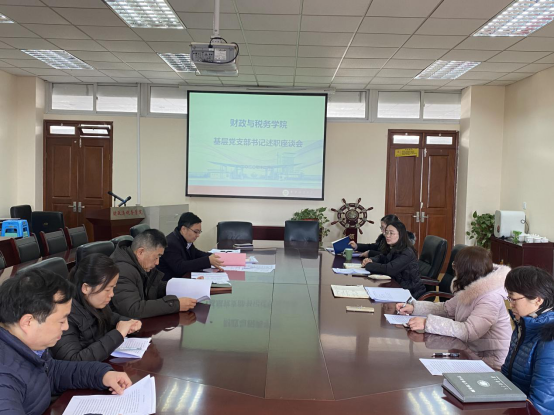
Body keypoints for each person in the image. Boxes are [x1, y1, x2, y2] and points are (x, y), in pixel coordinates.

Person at [0, 270, 132, 415]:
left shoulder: (29, 346)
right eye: (61, 321)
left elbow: (52, 372)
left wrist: (102, 375)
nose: (66, 327)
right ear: (28, 322)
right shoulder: (4, 378)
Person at [397, 247, 512, 369]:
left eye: (455, 265)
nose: (454, 269)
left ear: (465, 270)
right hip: (470, 351)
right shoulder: (472, 287)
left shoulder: (490, 298)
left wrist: (427, 323)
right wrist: (414, 307)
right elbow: (446, 309)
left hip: (490, 361)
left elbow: (468, 331)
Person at [51, 254, 142, 362]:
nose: (112, 294)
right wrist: (118, 334)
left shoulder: (94, 302)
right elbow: (73, 360)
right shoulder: (64, 315)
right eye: (107, 289)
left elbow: (112, 318)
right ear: (86, 288)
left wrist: (130, 323)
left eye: (113, 288)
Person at [501, 267, 554, 415]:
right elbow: (506, 375)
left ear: (538, 300)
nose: (510, 304)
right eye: (509, 298)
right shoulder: (524, 325)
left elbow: (541, 406)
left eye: (513, 298)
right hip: (513, 405)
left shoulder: (550, 339)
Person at [111, 229, 197, 320]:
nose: (157, 262)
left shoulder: (139, 263)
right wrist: (176, 305)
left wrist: (186, 286)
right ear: (140, 252)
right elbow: (134, 309)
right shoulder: (122, 271)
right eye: (156, 257)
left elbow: (155, 287)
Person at [362, 221, 426, 299]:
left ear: (401, 235)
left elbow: (389, 269)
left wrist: (369, 265)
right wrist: (371, 260)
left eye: (391, 233)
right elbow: (382, 257)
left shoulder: (407, 252)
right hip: (397, 287)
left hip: (410, 292)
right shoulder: (393, 247)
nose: (387, 236)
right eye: (386, 232)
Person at [158, 212, 225, 279]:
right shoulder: (171, 243)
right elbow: (180, 267)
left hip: (183, 278)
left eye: (199, 232)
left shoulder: (184, 239)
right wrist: (207, 261)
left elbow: (196, 253)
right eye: (195, 232)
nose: (198, 235)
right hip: (169, 282)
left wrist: (213, 256)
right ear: (183, 229)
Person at [350, 215, 416, 258]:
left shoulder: (403, 245)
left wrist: (370, 253)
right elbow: (374, 246)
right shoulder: (383, 238)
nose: (382, 231)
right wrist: (357, 246)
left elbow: (388, 257)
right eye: (381, 228)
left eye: (383, 228)